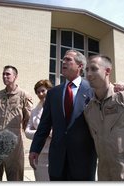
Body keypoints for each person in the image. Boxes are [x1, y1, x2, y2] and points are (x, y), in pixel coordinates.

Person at [29, 50, 97, 181]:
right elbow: (44, 124)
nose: (63, 62)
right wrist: (35, 149)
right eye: (63, 59)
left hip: (83, 160)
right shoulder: (53, 93)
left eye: (68, 60)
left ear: (80, 66)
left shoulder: (93, 90)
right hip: (57, 161)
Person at [0, 65, 33, 181]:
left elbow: (28, 119)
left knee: (15, 175)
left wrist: (14, 130)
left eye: (8, 74)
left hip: (14, 141)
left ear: (15, 76)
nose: (4, 76)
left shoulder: (24, 95)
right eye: (3, 74)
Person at [25, 79, 53, 181]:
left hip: (53, 152)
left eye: (43, 91)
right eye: (38, 92)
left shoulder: (57, 107)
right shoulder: (34, 111)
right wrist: (43, 133)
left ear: (49, 90)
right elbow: (27, 132)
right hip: (39, 153)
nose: (40, 94)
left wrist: (49, 133)